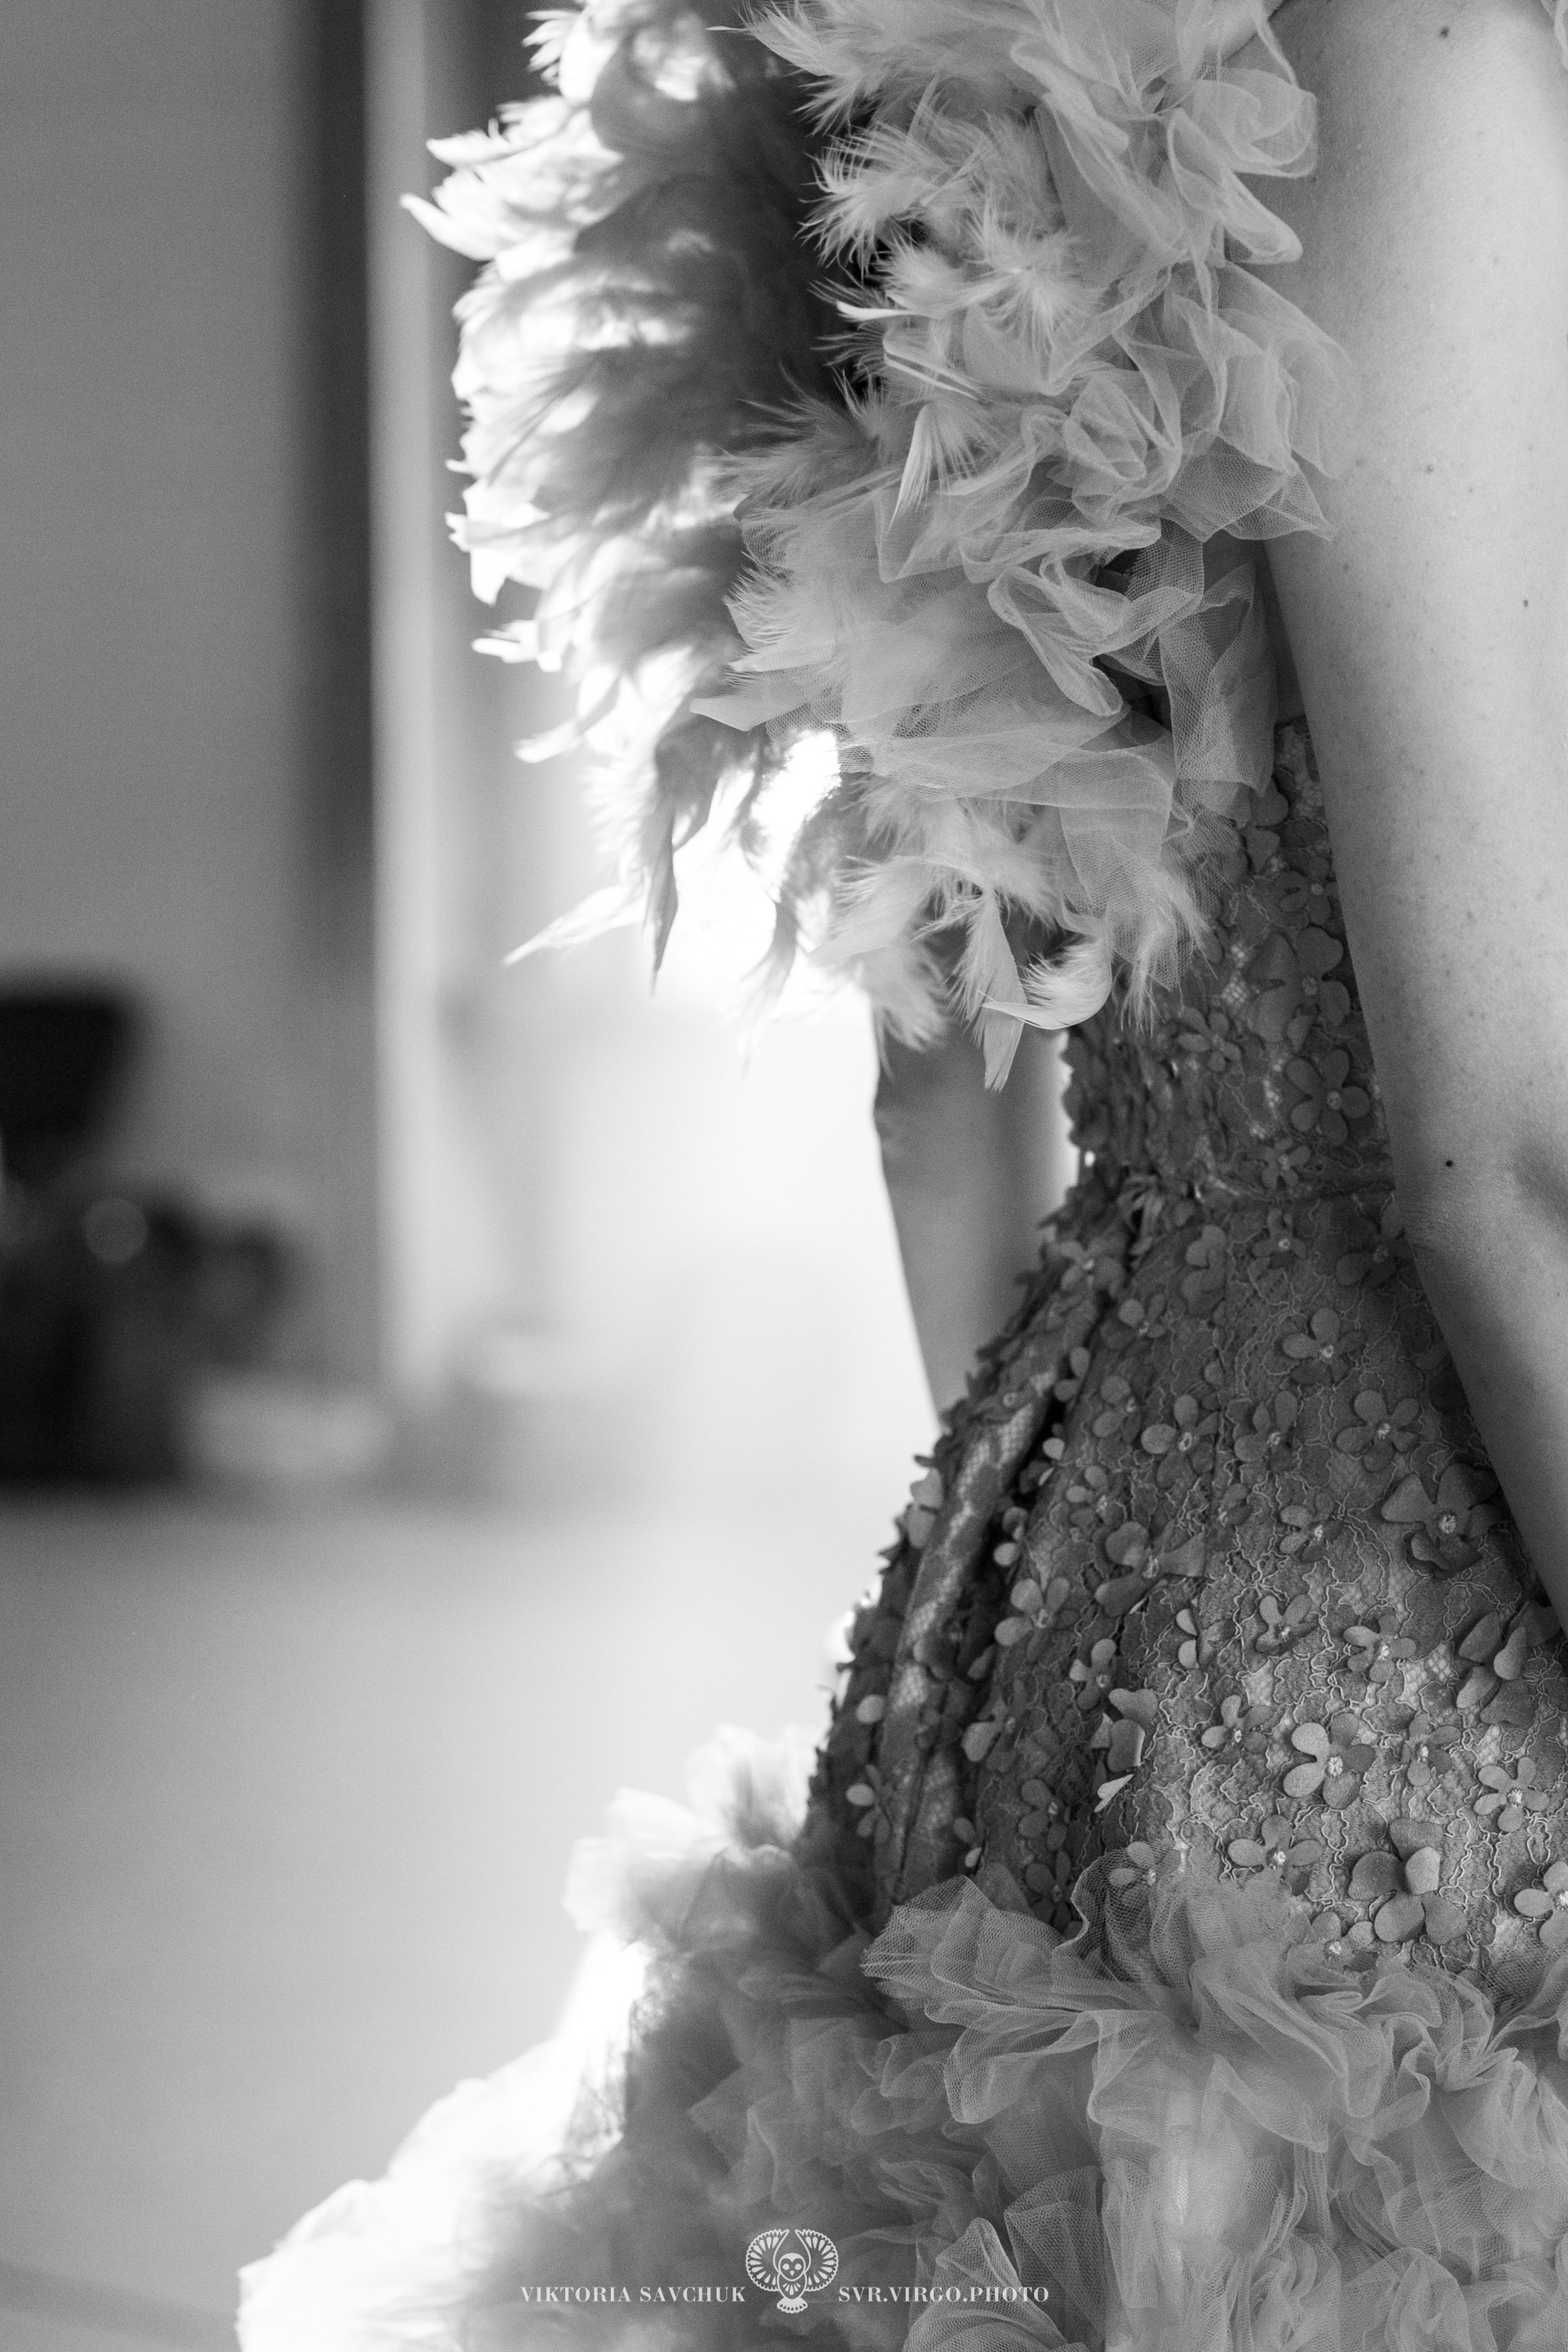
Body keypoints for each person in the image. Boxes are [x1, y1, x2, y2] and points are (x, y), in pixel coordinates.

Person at [240, 1, 1568, 2344]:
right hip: (1411, 1629)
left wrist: (1057, 1607)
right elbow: (1511, 1168)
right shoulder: (1428, 68)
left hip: (1067, 1570)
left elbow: (936, 1106)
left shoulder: (987, 85)